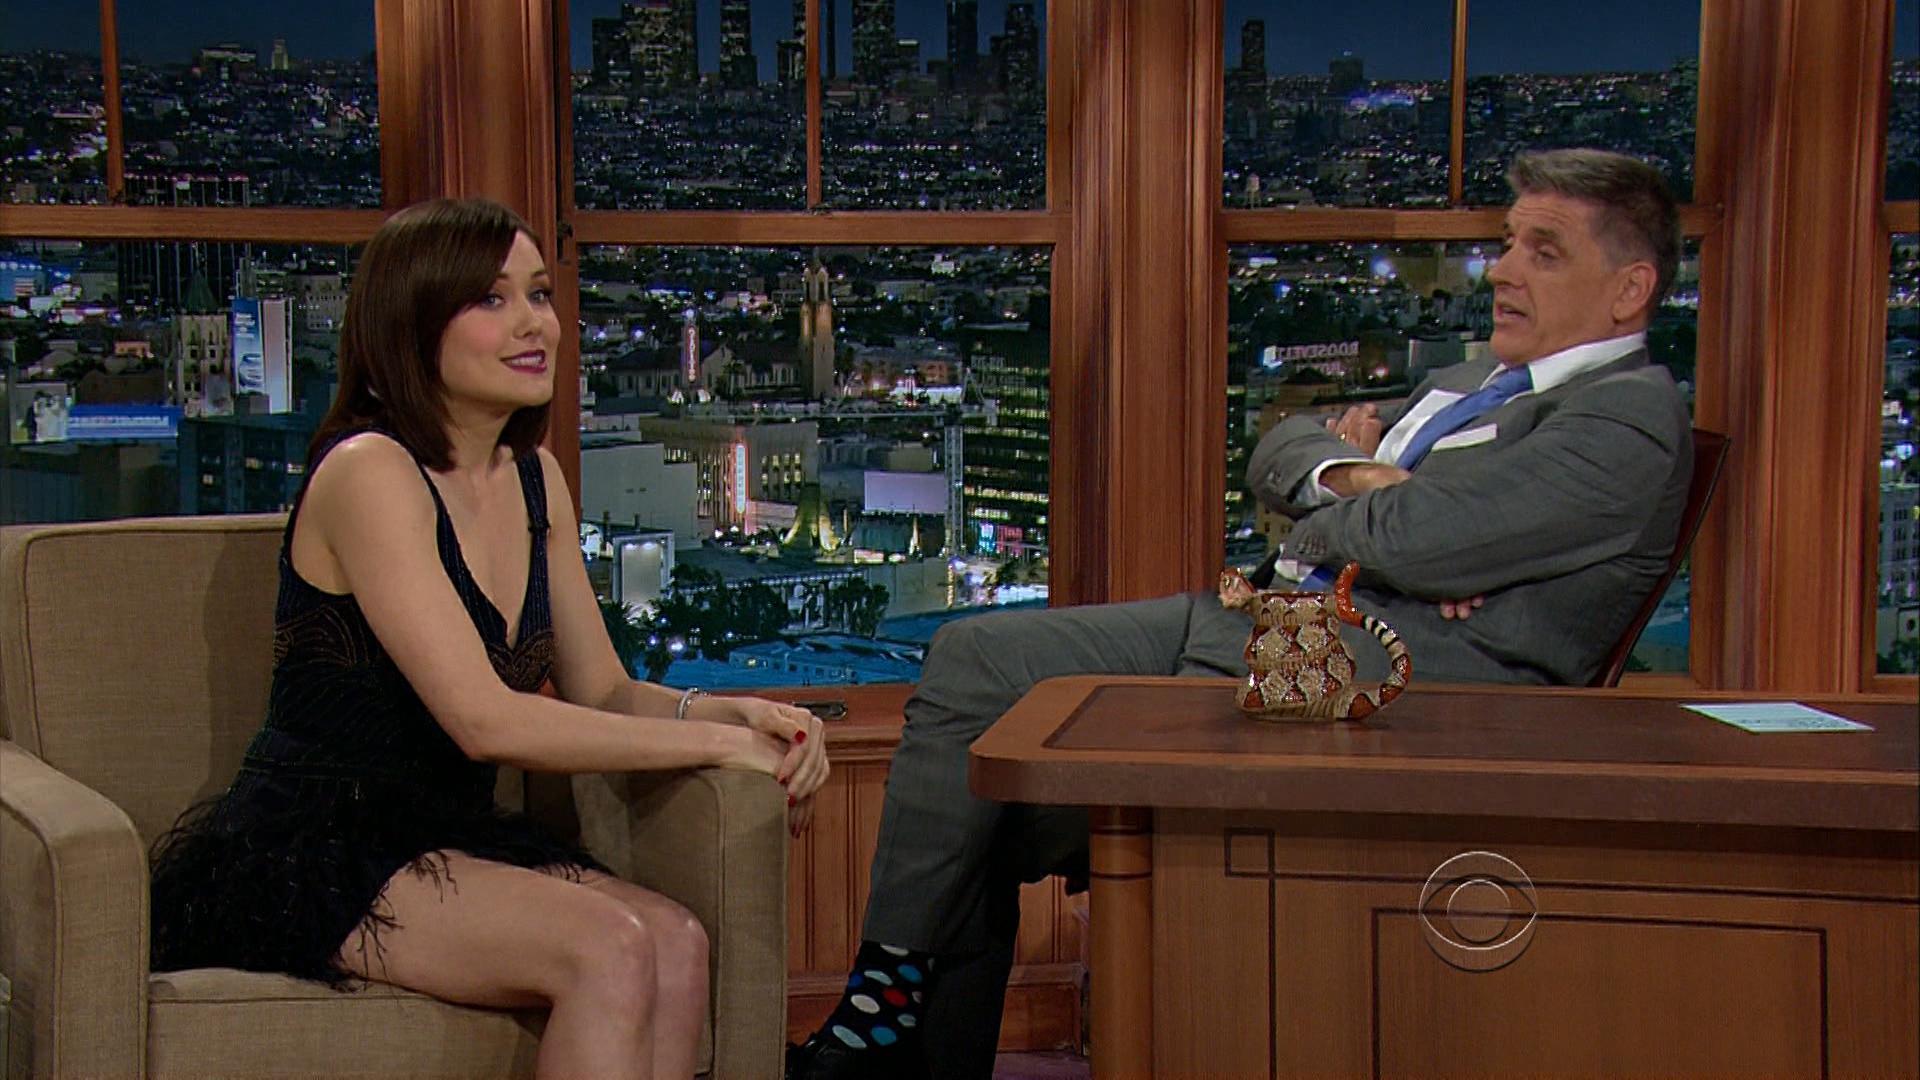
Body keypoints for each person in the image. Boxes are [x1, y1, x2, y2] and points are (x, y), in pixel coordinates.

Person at [786, 148, 1693, 1080]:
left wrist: (1379, 515)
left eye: (1544, 251)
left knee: (978, 813)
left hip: (1393, 696)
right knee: (969, 657)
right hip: (1274, 628)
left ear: (1629, 290)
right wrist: (1370, 489)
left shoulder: (1625, 417)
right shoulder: (1467, 383)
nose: (1501, 270)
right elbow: (1280, 448)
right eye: (1508, 243)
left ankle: (877, 1037)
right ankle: (882, 1017)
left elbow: (1421, 538)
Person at [148, 198, 829, 1080]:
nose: (533, 323)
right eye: (491, 300)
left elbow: (602, 690)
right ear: (413, 323)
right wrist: (720, 748)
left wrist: (732, 712)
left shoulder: (535, 477)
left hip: (449, 831)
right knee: (614, 945)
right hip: (319, 839)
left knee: (677, 940)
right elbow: (484, 721)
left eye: (539, 294)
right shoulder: (369, 470)